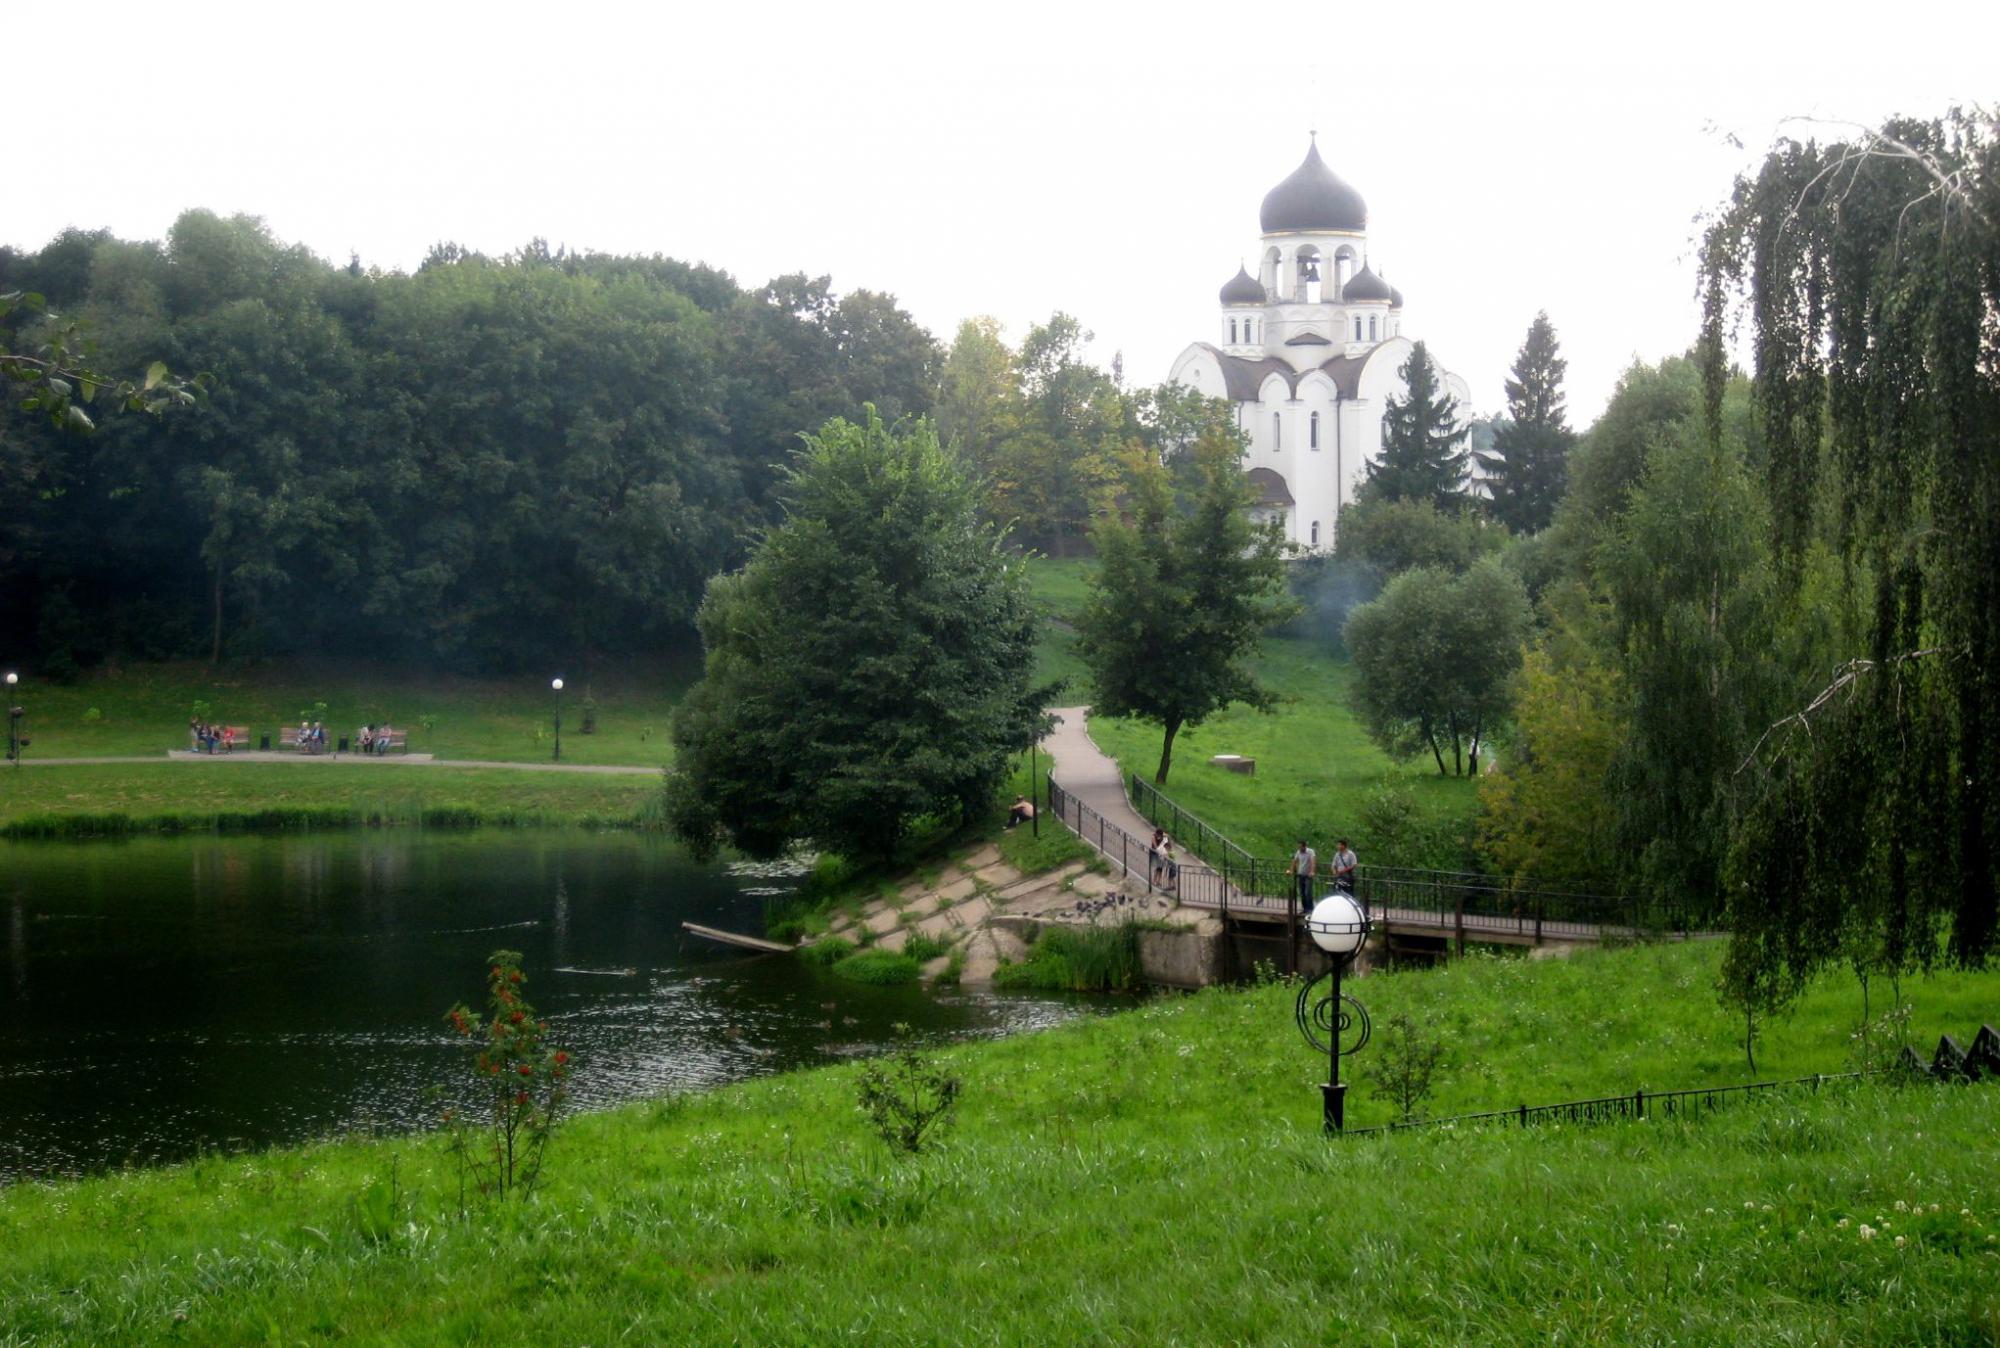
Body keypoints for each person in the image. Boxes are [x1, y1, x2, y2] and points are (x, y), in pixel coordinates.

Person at [1288, 838, 1317, 910]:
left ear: (1304, 846)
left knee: (1308, 892)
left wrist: (1312, 871)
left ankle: (1310, 908)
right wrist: (1291, 870)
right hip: (1300, 874)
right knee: (1302, 893)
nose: (1299, 848)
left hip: (1308, 875)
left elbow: (1313, 862)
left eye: (1301, 847)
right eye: (1298, 847)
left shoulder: (1310, 852)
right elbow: (1294, 861)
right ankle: (1305, 908)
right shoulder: (1298, 852)